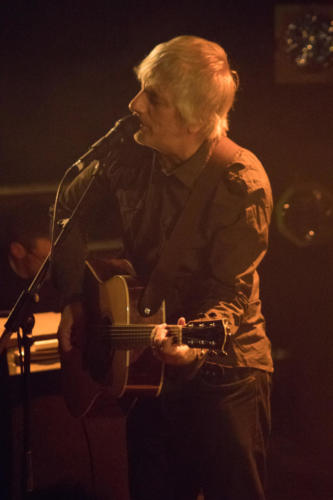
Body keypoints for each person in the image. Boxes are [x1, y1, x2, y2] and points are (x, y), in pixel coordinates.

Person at [52, 35, 273, 500]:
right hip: (148, 368)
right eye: (140, 89)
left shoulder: (240, 183)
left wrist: (194, 345)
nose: (134, 104)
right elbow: (68, 207)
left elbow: (230, 294)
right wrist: (74, 298)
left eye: (153, 98)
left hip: (224, 371)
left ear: (194, 121)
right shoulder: (131, 152)